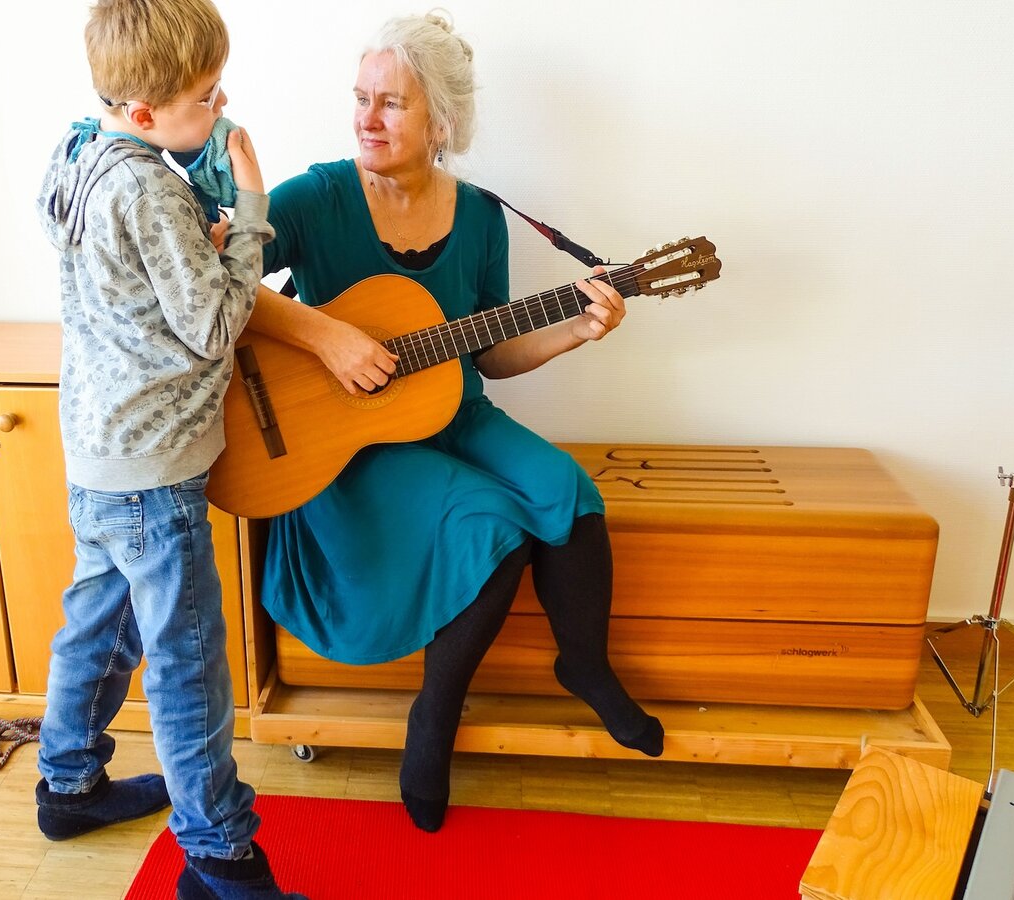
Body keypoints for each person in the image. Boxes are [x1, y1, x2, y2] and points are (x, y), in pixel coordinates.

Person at [245, 11, 665, 833]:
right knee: (491, 523)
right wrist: (327, 335)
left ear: (442, 122)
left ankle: (584, 664)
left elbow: (490, 351)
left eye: (390, 104)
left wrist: (577, 328)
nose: (367, 119)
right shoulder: (312, 198)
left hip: (450, 409)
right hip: (345, 436)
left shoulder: (479, 216)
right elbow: (217, 284)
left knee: (566, 490)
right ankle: (432, 721)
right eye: (360, 98)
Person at [34, 1, 305, 897]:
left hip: (97, 454)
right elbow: (215, 326)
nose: (220, 107)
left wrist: (202, 241)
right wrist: (251, 215)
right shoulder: (150, 184)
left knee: (96, 626)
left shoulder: (78, 150)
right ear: (145, 114)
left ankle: (68, 785)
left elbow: (130, 279)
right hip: (157, 471)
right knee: (188, 665)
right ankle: (222, 856)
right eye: (204, 95)